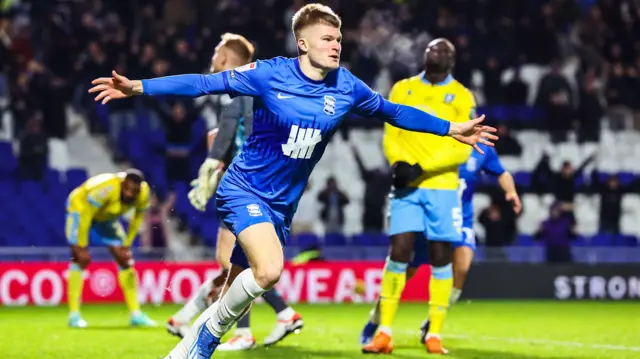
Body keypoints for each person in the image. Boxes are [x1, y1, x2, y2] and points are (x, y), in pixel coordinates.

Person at [88, 4, 497, 358]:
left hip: (282, 205)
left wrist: (450, 128)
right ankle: (204, 343)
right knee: (268, 271)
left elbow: (394, 111)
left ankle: (183, 351)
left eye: (338, 38)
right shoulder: (268, 75)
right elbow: (202, 83)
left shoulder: (347, 86)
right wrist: (139, 86)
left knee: (236, 287)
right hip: (244, 189)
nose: (336, 44)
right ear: (303, 43)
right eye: (326, 38)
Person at [165, 33, 303, 351]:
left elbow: (249, 138)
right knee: (232, 262)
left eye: (217, 52)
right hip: (254, 187)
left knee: (237, 263)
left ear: (227, 59)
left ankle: (260, 324)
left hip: (252, 189)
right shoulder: (247, 92)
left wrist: (213, 166)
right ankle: (275, 317)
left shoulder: (243, 89)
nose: (213, 57)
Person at [361, 38, 478, 355]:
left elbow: (462, 144)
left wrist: (422, 167)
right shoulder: (402, 88)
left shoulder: (462, 96)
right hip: (406, 186)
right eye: (430, 49)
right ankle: (384, 332)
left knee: (441, 257)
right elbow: (392, 133)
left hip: (441, 187)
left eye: (442, 51)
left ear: (452, 60)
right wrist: (399, 164)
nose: (435, 53)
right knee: (399, 252)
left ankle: (434, 334)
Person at [419, 142, 521, 343]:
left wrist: (511, 192)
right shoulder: (438, 135)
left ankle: (433, 321)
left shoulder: (482, 149)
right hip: (434, 216)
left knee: (462, 269)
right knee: (412, 267)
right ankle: (381, 319)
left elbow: (502, 173)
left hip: (462, 220)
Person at [65, 169, 156, 328]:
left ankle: (136, 314)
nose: (129, 194)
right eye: (126, 189)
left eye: (133, 191)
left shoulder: (143, 193)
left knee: (125, 259)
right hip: (80, 209)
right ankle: (74, 315)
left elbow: (137, 219)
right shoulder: (106, 189)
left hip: (105, 218)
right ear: (122, 184)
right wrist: (82, 246)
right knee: (79, 258)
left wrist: (126, 245)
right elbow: (87, 213)